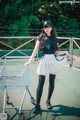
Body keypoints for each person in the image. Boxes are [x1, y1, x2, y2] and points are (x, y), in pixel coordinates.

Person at [25, 20, 79, 114]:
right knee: (40, 83)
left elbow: (56, 52)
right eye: (45, 27)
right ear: (43, 28)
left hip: (53, 60)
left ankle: (48, 101)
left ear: (51, 27)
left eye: (48, 27)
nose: (47, 29)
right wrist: (29, 61)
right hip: (44, 61)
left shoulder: (55, 38)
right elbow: (35, 50)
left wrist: (66, 53)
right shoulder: (41, 37)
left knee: (52, 81)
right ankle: (37, 105)